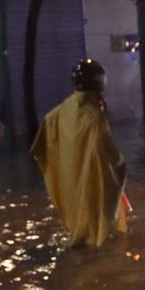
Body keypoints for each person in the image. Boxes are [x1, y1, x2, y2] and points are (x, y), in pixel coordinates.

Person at [30, 59, 127, 248]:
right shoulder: (93, 115)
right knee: (98, 235)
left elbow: (41, 149)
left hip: (70, 181)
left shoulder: (58, 113)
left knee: (78, 226)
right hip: (92, 181)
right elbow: (111, 159)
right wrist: (119, 167)